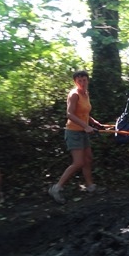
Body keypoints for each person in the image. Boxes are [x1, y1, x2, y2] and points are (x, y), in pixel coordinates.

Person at [48, 70, 106, 204]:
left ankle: (90, 186)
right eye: (79, 81)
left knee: (88, 159)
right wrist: (85, 126)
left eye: (84, 80)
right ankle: (56, 188)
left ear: (88, 80)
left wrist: (93, 122)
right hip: (73, 132)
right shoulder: (74, 94)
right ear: (75, 82)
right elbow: (69, 114)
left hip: (83, 131)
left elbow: (83, 112)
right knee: (78, 162)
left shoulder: (86, 93)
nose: (82, 83)